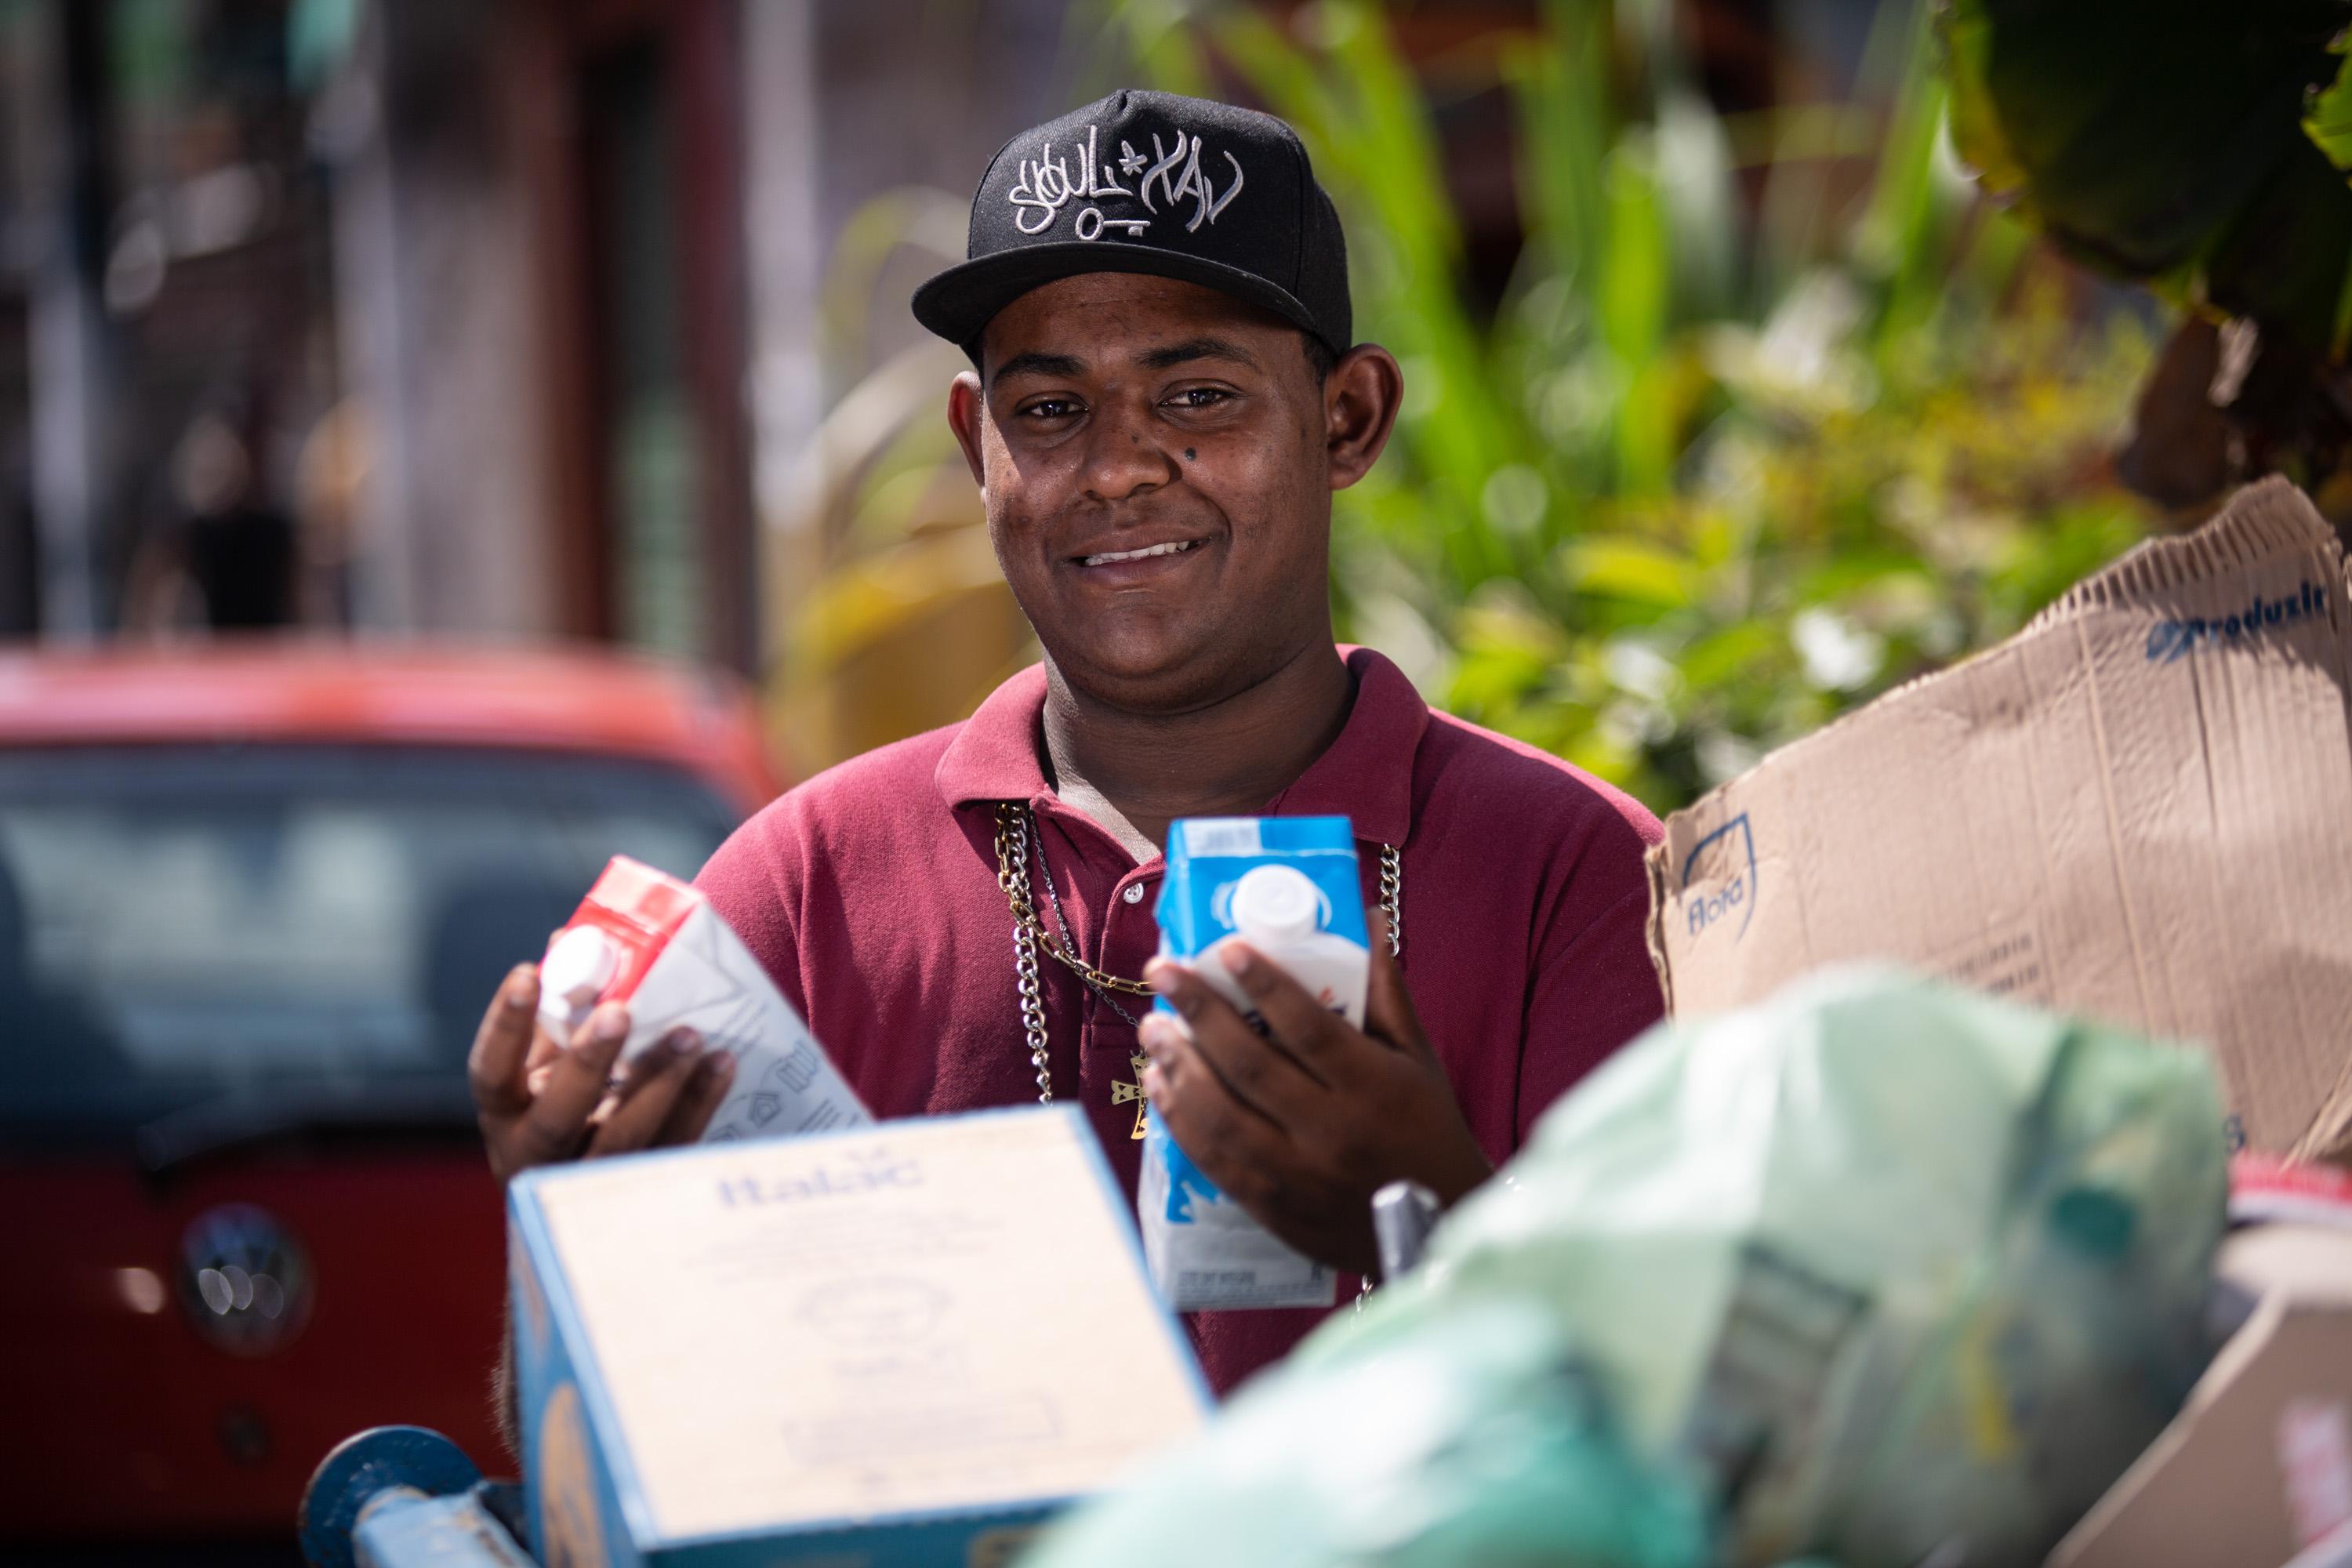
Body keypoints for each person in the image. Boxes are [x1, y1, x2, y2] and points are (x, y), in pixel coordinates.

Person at [468, 89, 1664, 1399]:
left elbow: (1722, 1458)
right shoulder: (804, 890)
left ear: (1347, 421)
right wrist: (578, 1253)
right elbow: (621, 1468)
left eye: (1198, 394)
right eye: (1048, 412)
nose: (1115, 469)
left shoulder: (1582, 877)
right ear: (976, 445)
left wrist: (1425, 1218)